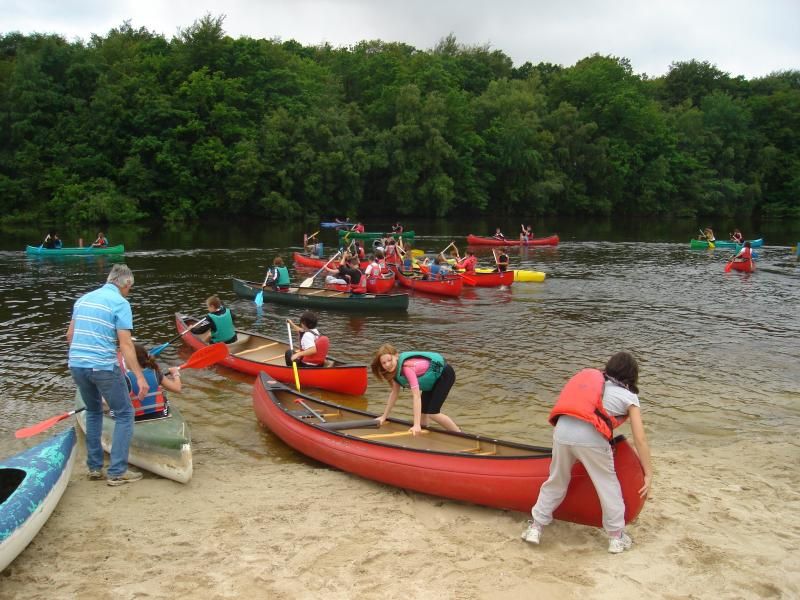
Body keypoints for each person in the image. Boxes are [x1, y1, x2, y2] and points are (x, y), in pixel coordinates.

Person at [521, 351, 653, 554]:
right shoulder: (629, 397)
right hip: (590, 438)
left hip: (562, 431)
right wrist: (648, 473)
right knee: (607, 485)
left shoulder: (594, 384)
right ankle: (616, 538)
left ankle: (535, 527)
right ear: (631, 376)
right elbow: (640, 439)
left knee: (556, 480)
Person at [67, 263, 148, 486]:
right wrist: (140, 376)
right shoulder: (120, 303)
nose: (128, 292)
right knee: (124, 413)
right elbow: (126, 345)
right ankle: (117, 472)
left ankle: (94, 468)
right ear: (126, 284)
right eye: (129, 289)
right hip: (102, 366)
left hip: (77, 364)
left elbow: (70, 336)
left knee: (93, 411)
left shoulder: (82, 300)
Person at [371, 343, 460, 436]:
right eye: (384, 363)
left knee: (433, 413)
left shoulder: (406, 368)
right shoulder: (395, 372)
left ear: (396, 356)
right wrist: (384, 416)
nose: (388, 365)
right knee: (423, 416)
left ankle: (461, 435)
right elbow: (394, 393)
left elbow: (416, 396)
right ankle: (425, 443)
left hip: (444, 375)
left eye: (389, 360)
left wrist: (416, 425)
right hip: (432, 379)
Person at [120, 343, 182, 422]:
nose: (124, 361)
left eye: (124, 358)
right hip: (159, 416)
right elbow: (177, 388)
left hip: (136, 419)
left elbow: (111, 402)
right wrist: (175, 373)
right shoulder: (156, 373)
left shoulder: (125, 378)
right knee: (163, 393)